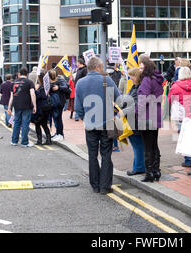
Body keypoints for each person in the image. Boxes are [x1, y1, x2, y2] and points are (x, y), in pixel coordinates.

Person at [74, 57, 121, 194]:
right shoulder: (107, 80)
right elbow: (119, 98)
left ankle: (95, 185)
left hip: (90, 125)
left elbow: (78, 107)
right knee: (106, 155)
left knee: (92, 155)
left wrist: (86, 118)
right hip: (106, 124)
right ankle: (105, 187)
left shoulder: (80, 83)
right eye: (102, 67)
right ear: (98, 67)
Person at [136, 54, 164, 183]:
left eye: (141, 68)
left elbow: (143, 98)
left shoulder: (147, 79)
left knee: (147, 146)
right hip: (155, 114)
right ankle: (156, 170)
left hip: (146, 115)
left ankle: (149, 174)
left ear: (146, 68)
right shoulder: (157, 79)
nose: (139, 70)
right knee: (154, 144)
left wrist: (136, 112)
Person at [123, 67, 145, 176]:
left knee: (137, 145)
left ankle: (139, 167)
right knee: (137, 145)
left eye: (132, 76)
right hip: (133, 121)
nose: (130, 78)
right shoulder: (135, 87)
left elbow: (134, 105)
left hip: (135, 121)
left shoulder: (138, 88)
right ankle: (138, 166)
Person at [7, 67, 37, 147]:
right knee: (25, 124)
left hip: (16, 105)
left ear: (19, 74)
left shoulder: (14, 82)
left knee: (16, 123)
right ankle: (24, 142)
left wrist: (9, 107)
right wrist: (34, 105)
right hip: (27, 105)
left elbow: (11, 97)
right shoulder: (29, 82)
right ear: (27, 74)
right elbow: (32, 94)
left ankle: (14, 141)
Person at [49, 69, 71, 141]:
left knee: (58, 118)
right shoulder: (50, 82)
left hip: (59, 102)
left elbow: (66, 87)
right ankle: (58, 133)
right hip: (54, 103)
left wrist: (58, 88)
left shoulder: (59, 80)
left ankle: (60, 134)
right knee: (56, 118)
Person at [32, 71, 52, 145]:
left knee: (37, 124)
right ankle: (48, 139)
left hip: (41, 107)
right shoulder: (46, 85)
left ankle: (39, 140)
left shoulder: (42, 87)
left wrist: (35, 91)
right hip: (46, 107)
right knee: (44, 124)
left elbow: (41, 96)